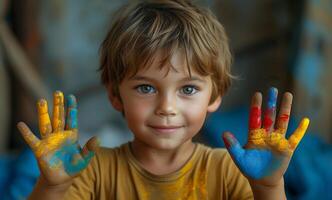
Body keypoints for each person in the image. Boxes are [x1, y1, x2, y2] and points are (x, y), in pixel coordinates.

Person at [17, 0, 309, 199]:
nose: (167, 107)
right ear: (115, 95)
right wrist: (51, 186)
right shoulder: (92, 171)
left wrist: (269, 187)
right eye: (146, 88)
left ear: (215, 95)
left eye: (188, 89)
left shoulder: (230, 171)